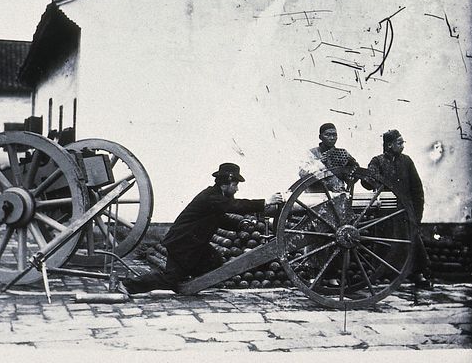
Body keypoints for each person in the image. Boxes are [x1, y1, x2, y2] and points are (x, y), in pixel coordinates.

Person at [122, 163, 281, 294]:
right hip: (183, 244)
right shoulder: (211, 197)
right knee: (170, 279)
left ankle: (187, 281)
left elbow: (219, 218)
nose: (237, 189)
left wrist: (240, 224)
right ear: (225, 184)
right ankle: (128, 285)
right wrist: (265, 202)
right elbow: (235, 205)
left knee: (215, 262)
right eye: (235, 185)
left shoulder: (216, 197)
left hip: (192, 244)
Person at [363, 129, 433, 290]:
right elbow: (367, 182)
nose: (402, 146)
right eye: (399, 143)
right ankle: (382, 274)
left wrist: (417, 214)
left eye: (403, 142)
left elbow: (417, 188)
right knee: (385, 243)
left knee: (412, 241)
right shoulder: (378, 161)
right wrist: (371, 177)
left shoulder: (407, 161)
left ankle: (418, 274)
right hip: (385, 212)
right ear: (389, 145)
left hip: (405, 211)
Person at [298, 122, 359, 192]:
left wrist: (351, 173)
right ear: (320, 137)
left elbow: (354, 175)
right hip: (316, 196)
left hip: (338, 194)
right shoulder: (311, 153)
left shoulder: (343, 154)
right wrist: (320, 163)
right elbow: (303, 174)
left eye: (334, 135)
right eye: (328, 135)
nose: (332, 138)